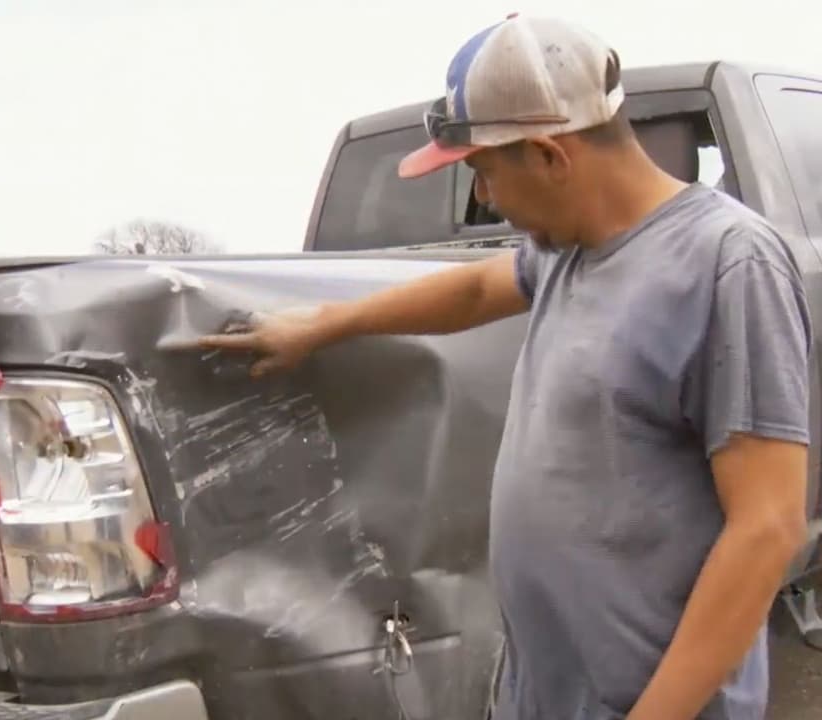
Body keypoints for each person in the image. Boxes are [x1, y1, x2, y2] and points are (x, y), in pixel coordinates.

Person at [201, 14, 811, 720]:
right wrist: (320, 325)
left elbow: (767, 527)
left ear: (552, 156)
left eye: (483, 173)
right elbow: (477, 288)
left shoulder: (728, 264)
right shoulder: (568, 249)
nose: (483, 198)